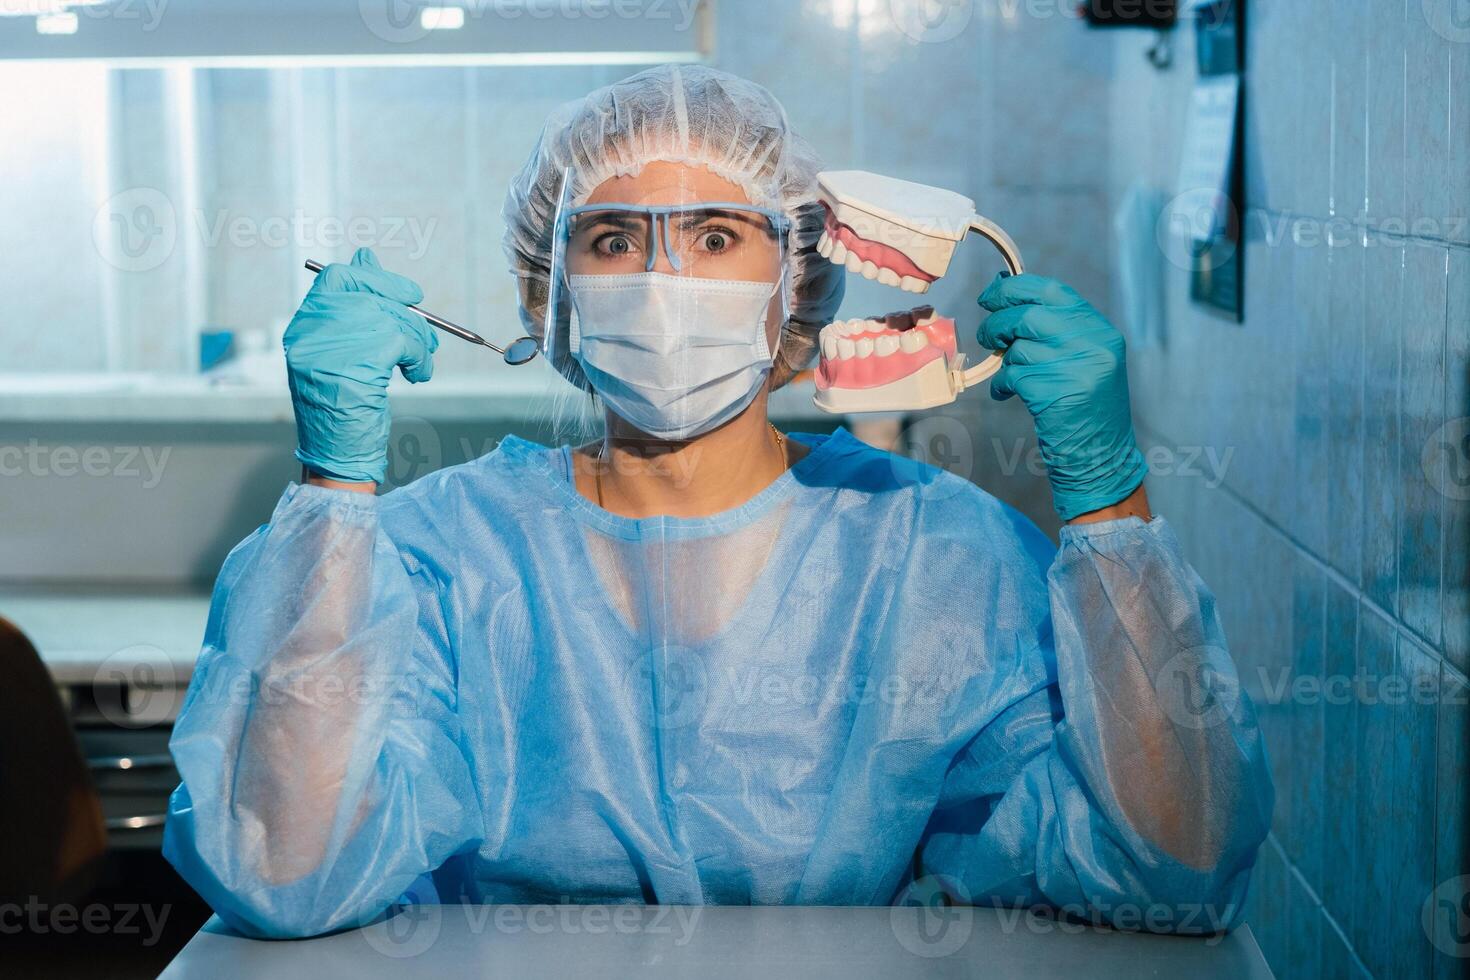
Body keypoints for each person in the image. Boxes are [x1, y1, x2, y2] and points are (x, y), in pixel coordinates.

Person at [163, 65, 1272, 940]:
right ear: (551, 295)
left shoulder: (933, 554)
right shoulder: (438, 552)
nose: (663, 280)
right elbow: (283, 871)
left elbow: (1170, 870)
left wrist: (1109, 502)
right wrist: (334, 485)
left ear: (796, 278)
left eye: (713, 235)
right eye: (612, 239)